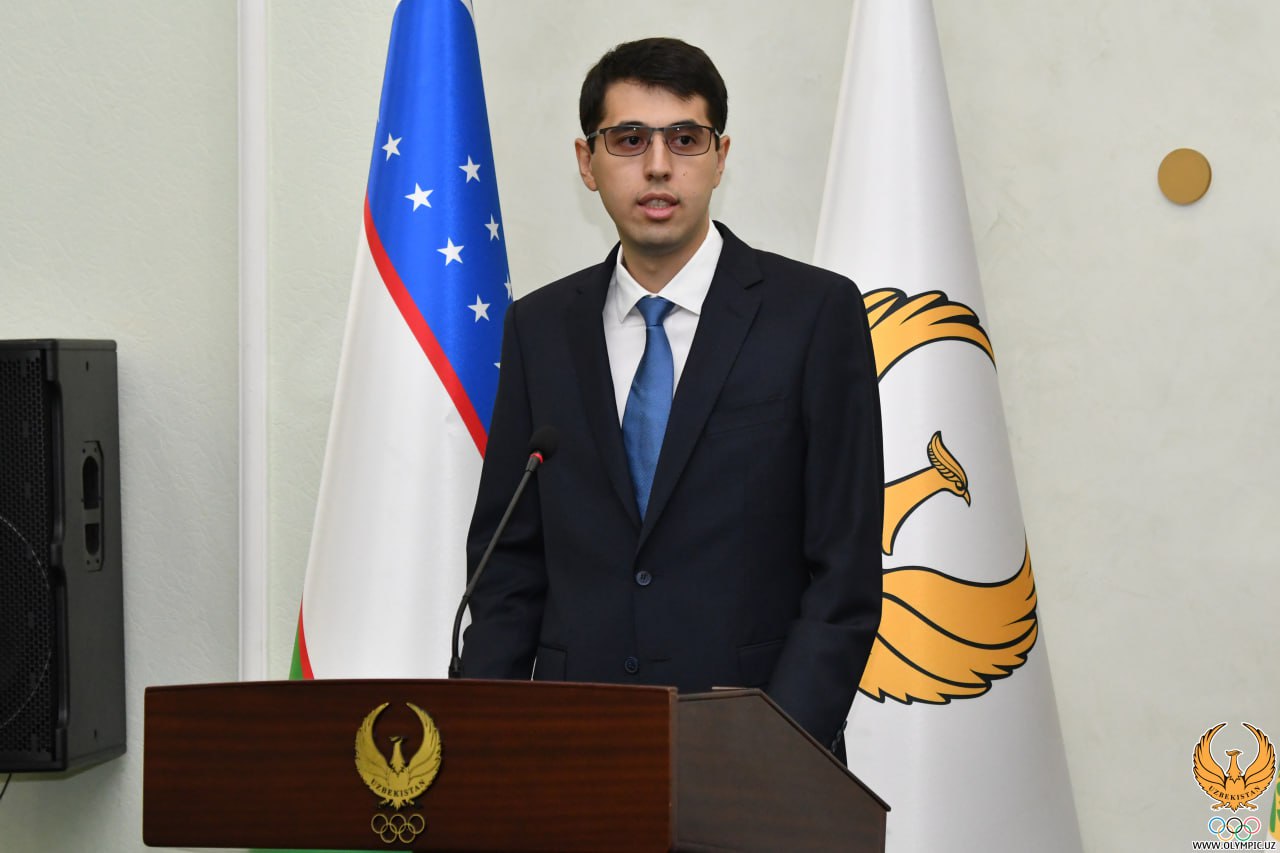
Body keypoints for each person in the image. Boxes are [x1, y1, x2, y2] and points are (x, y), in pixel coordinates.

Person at [459, 37, 882, 755]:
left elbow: (844, 574)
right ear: (586, 162)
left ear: (720, 157)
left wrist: (777, 749)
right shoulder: (539, 327)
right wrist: (479, 746)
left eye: (685, 139)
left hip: (756, 747)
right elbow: (509, 569)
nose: (658, 165)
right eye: (629, 140)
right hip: (570, 748)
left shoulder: (813, 314)